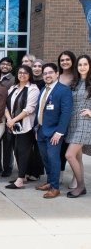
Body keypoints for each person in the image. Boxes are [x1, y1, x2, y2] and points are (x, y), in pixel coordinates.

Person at [35, 63, 73, 199]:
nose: (47, 75)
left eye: (50, 72)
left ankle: (55, 188)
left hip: (54, 133)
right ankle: (50, 182)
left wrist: (59, 132)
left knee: (54, 159)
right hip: (41, 131)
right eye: (45, 73)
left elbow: (66, 113)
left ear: (57, 74)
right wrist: (36, 128)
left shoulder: (63, 90)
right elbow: (39, 110)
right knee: (46, 159)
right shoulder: (43, 90)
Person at [4, 65, 40, 189]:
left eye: (25, 73)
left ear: (29, 75)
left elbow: (29, 109)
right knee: (16, 151)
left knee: (23, 152)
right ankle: (23, 176)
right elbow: (5, 105)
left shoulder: (33, 89)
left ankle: (19, 180)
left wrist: (13, 120)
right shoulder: (13, 88)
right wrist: (9, 119)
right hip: (12, 125)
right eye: (20, 72)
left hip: (26, 126)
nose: (22, 75)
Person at [65, 55, 91, 198]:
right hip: (73, 122)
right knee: (77, 157)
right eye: (80, 64)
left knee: (69, 155)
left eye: (85, 64)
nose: (82, 67)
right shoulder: (74, 83)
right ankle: (82, 187)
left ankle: (80, 186)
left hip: (85, 123)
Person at [57, 50, 76, 187]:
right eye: (62, 60)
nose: (64, 62)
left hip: (75, 118)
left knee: (75, 152)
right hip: (59, 117)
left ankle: (76, 177)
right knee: (61, 148)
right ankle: (59, 175)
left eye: (67, 59)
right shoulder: (57, 76)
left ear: (72, 61)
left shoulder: (78, 77)